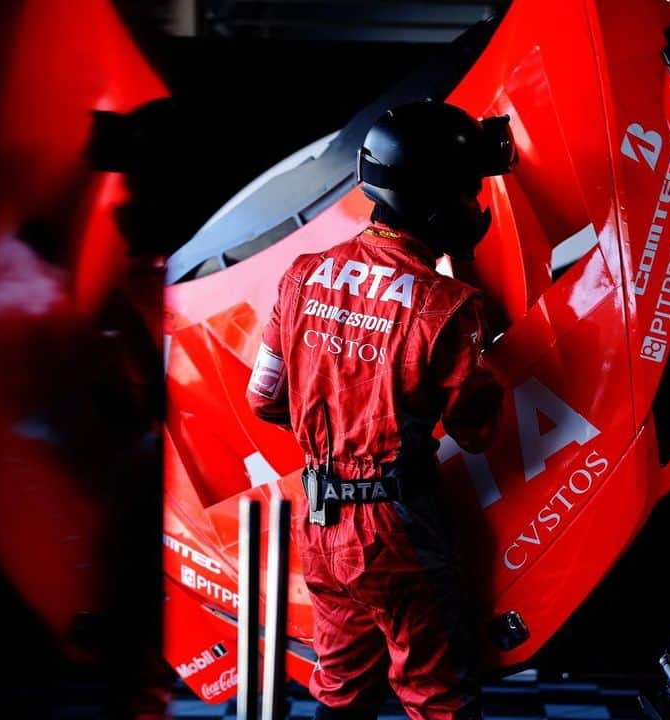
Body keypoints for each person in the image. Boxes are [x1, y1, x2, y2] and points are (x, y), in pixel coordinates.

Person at [247, 100, 516, 720]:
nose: (475, 206)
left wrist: (336, 426)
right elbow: (475, 433)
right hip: (397, 528)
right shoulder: (449, 307)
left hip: (319, 521)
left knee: (341, 691)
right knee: (437, 695)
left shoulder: (302, 275)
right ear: (439, 207)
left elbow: (265, 399)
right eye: (470, 192)